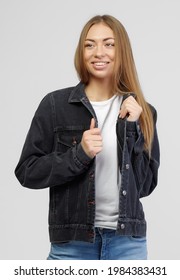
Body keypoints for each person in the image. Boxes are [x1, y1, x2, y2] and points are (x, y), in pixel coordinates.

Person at [15, 14, 160, 260]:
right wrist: (78, 155)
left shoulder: (142, 111)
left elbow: (145, 187)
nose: (98, 52)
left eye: (108, 44)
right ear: (81, 52)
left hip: (127, 245)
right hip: (73, 244)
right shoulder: (55, 105)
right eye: (89, 44)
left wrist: (133, 129)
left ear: (121, 50)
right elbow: (27, 171)